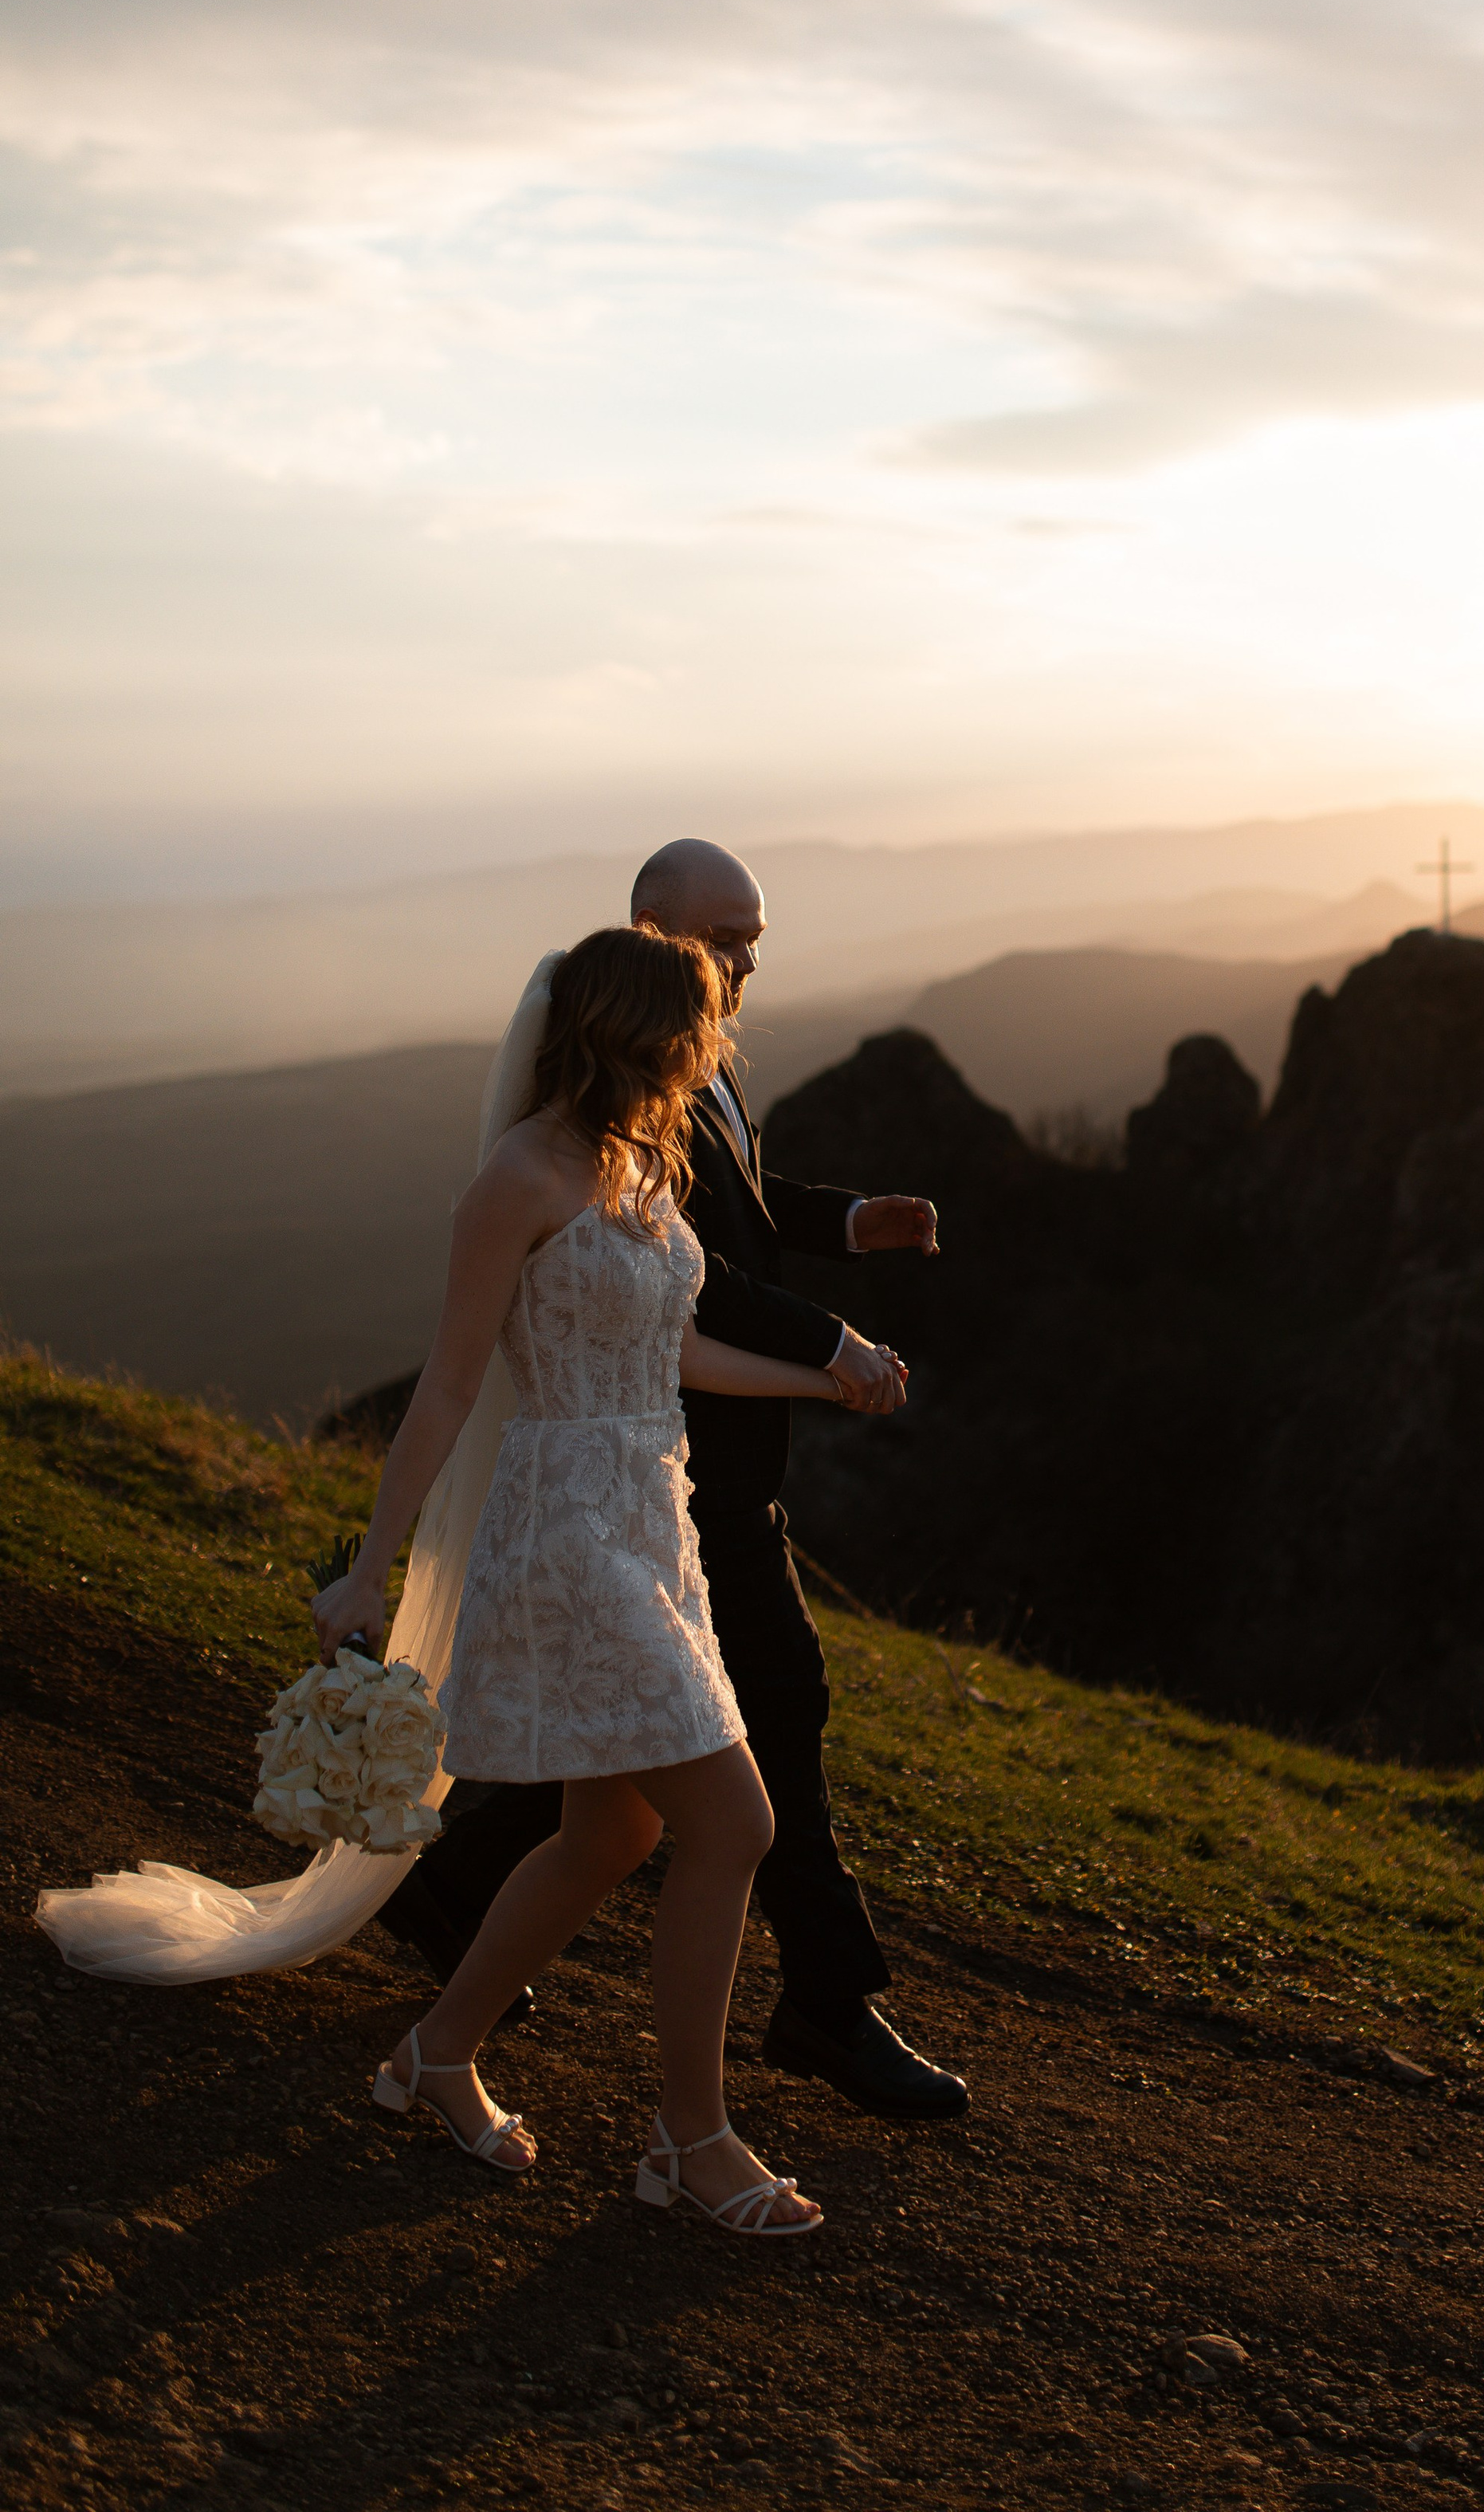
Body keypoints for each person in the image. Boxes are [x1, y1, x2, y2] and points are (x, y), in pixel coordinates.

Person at [310, 923, 886, 2230]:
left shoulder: (642, 1160)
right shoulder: (515, 1182)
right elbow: (451, 1386)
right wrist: (368, 1574)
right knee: (734, 1822)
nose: (712, 1045)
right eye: (698, 1025)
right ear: (636, 1031)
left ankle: (436, 2054)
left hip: (651, 1517)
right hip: (566, 1531)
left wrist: (824, 1374)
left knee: (615, 1829)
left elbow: (673, 1346)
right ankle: (692, 2139)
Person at [386, 838, 968, 2120]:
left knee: (626, 1778)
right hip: (644, 1481)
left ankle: (450, 1925)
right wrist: (831, 1345)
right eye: (728, 940)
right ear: (654, 932)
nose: (749, 963)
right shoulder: (599, 1116)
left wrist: (851, 1224)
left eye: (757, 938)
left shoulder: (683, 1083)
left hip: (667, 1486)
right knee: (762, 1741)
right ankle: (808, 2021)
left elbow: (729, 1230)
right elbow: (696, 1284)